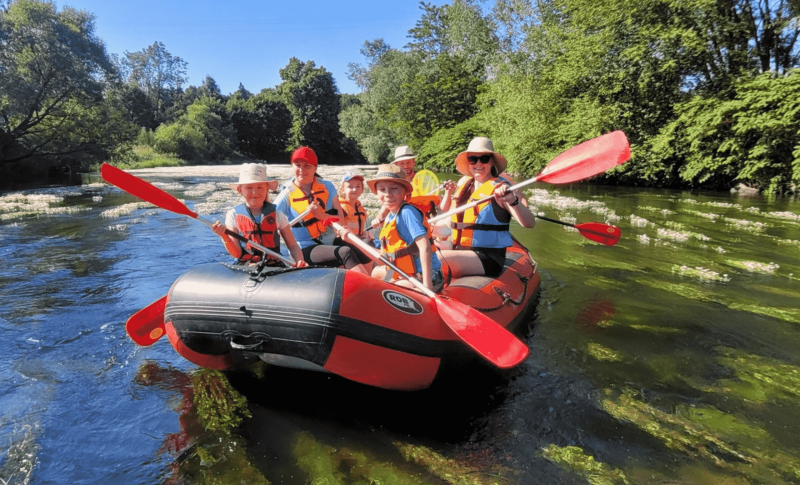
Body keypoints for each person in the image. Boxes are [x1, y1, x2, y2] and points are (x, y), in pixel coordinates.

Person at [437, 137, 535, 278]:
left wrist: (512, 200)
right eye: (473, 159)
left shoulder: (501, 188)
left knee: (435, 259)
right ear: (468, 162)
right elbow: (448, 226)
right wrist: (427, 230)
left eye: (484, 158)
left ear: (491, 161)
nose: (478, 163)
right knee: (422, 251)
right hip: (461, 249)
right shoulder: (464, 187)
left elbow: (529, 223)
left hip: (487, 257)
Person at [274, 146, 369, 274]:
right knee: (345, 252)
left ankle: (374, 284)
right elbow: (270, 221)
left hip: (329, 241)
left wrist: (321, 215)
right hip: (305, 248)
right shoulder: (286, 195)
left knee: (363, 248)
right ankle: (367, 286)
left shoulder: (327, 186)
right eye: (298, 165)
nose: (302, 170)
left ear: (315, 167)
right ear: (292, 166)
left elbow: (341, 221)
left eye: (307, 166)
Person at [356, 164, 444, 292]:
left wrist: (427, 287)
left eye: (394, 188)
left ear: (404, 192)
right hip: (405, 273)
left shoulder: (407, 212)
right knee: (375, 272)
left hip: (425, 277)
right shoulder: (391, 214)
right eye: (382, 189)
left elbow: (425, 247)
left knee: (381, 293)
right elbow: (390, 252)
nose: (388, 194)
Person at [212, 163, 307, 267]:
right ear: (240, 190)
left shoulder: (278, 214)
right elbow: (236, 254)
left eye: (260, 187)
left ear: (267, 188)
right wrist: (225, 237)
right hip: (247, 266)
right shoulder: (233, 215)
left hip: (273, 265)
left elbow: (293, 245)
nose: (255, 192)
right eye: (249, 188)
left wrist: (300, 261)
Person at [337, 170, 373, 271]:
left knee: (370, 240)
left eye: (358, 186)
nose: (354, 189)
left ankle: (368, 274)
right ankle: (368, 276)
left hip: (357, 239)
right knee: (368, 243)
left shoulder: (358, 205)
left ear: (362, 189)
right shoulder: (340, 207)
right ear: (342, 189)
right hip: (344, 241)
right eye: (350, 187)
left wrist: (364, 232)